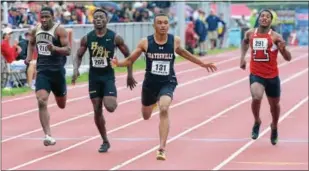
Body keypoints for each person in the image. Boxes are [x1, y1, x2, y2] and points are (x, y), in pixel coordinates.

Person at [112, 13, 217, 160]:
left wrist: (202, 63)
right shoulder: (145, 42)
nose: (163, 25)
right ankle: (154, 102)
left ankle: (162, 147)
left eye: (165, 23)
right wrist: (119, 64)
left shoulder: (174, 41)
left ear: (169, 25)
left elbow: (185, 54)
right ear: (154, 25)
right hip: (150, 84)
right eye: (159, 23)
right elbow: (130, 60)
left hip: (168, 82)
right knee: (146, 116)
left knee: (164, 108)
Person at [71, 8, 137, 153]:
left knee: (110, 107)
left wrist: (129, 74)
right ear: (92, 21)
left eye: (102, 17)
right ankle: (105, 140)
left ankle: (111, 96)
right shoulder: (87, 38)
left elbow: (129, 56)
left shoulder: (115, 37)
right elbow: (78, 55)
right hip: (94, 77)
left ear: (106, 20)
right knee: (96, 109)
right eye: (96, 17)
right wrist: (76, 69)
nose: (99, 19)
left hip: (107, 76)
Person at [240, 9, 292, 145]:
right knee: (256, 96)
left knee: (274, 105)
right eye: (262, 16)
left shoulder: (276, 37)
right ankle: (257, 121)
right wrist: (242, 58)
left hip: (272, 76)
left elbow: (288, 58)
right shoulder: (250, 33)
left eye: (267, 17)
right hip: (256, 74)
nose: (264, 18)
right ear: (259, 18)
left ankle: (274, 126)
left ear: (271, 20)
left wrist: (284, 49)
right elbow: (245, 42)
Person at [25, 7, 71, 146]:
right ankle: (48, 135)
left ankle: (61, 93)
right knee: (41, 101)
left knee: (61, 104)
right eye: (42, 17)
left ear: (53, 17)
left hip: (57, 72)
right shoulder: (36, 30)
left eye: (47, 17)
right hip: (43, 71)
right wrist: (28, 57)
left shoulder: (59, 30)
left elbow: (68, 50)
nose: (44, 20)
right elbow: (31, 43)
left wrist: (55, 49)